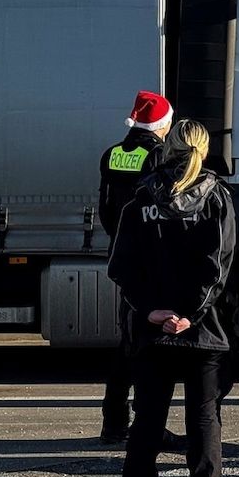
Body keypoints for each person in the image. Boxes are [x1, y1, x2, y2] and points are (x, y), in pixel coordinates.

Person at [108, 119, 236, 477]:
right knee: (204, 417)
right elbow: (219, 266)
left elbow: (120, 267)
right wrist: (189, 315)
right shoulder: (217, 197)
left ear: (168, 148)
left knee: (148, 417)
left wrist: (151, 310)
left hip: (153, 327)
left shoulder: (142, 197)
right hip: (203, 328)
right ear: (205, 150)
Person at [97, 90, 184, 451]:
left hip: (123, 252)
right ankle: (148, 426)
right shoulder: (159, 155)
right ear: (162, 125)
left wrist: (119, 237)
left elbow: (104, 206)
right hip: (151, 258)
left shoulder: (113, 153)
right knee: (147, 345)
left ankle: (114, 423)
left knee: (126, 340)